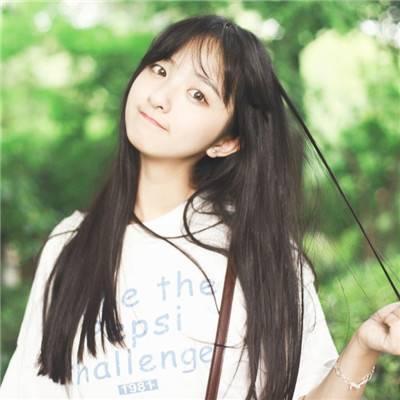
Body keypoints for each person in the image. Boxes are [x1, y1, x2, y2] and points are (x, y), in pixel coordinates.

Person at [1, 14, 399, 400]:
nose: (159, 97)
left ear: (226, 142)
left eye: (198, 95)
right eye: (160, 70)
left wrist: (363, 347)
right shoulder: (70, 243)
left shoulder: (260, 251)